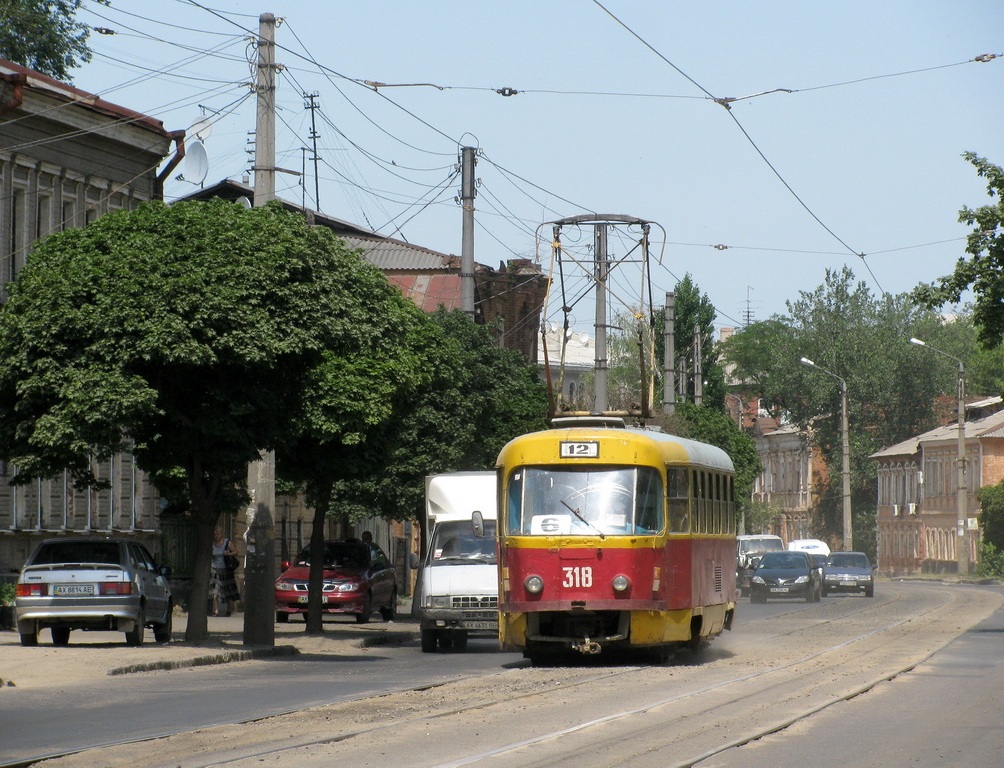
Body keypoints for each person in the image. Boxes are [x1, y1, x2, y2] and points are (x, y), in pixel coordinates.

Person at [210, 527, 241, 617]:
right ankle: (215, 610)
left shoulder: (227, 542)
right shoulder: (211, 544)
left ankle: (229, 610)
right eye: (214, 534)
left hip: (226, 570)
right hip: (215, 570)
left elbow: (236, 552)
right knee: (215, 592)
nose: (216, 536)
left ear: (222, 534)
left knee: (228, 592)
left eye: (217, 534)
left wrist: (228, 553)